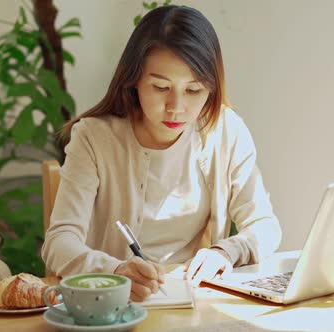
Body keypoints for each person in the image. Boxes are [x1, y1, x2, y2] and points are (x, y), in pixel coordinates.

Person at [41, 5, 282, 302]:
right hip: (109, 305)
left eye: (193, 90)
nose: (176, 107)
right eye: (160, 87)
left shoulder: (226, 130)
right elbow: (59, 242)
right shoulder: (93, 137)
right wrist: (116, 270)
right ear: (134, 81)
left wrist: (225, 252)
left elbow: (266, 227)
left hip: (188, 303)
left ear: (211, 88)